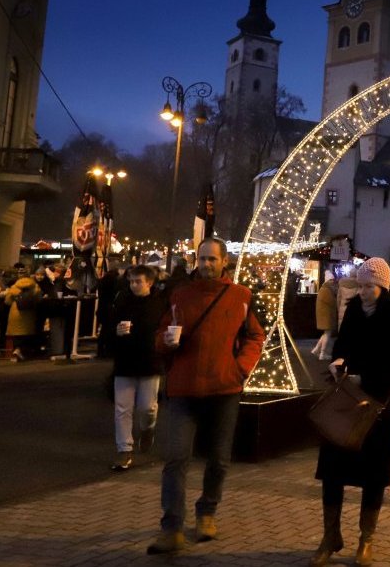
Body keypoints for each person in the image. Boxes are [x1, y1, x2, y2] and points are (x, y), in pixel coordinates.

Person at [147, 238, 266, 555]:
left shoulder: (241, 296)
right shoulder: (180, 295)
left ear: (224, 261)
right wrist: (166, 342)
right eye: (201, 259)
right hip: (183, 388)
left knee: (219, 459)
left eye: (212, 259)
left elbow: (255, 335)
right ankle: (172, 528)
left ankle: (207, 512)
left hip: (223, 388)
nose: (206, 265)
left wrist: (240, 369)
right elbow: (161, 334)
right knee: (175, 458)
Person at [311, 256, 390, 567]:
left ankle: (366, 539)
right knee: (332, 469)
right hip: (346, 398)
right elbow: (344, 344)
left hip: (377, 401)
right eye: (361, 285)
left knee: (373, 473)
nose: (364, 291)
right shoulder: (353, 308)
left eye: (369, 286)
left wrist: (365, 377)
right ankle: (330, 536)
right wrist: (339, 360)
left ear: (381, 286)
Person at [108, 265, 166, 471]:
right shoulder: (122, 301)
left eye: (138, 281)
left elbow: (165, 328)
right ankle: (124, 449)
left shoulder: (159, 303)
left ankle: (148, 428)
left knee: (147, 407)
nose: (133, 285)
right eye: (131, 281)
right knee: (122, 408)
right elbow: (109, 325)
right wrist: (116, 331)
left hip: (150, 361)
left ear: (149, 282)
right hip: (125, 361)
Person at [3, 267, 42, 361]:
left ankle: (17, 349)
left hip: (16, 311)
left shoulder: (14, 287)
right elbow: (39, 299)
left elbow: (7, 301)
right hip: (29, 312)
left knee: (17, 333)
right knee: (27, 333)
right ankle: (22, 351)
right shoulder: (34, 286)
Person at [312, 270, 339, 361]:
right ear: (328, 281)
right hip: (326, 315)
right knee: (327, 334)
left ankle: (316, 350)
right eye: (331, 280)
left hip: (324, 315)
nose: (333, 282)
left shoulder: (324, 289)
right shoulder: (326, 290)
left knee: (326, 334)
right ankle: (322, 353)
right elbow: (332, 302)